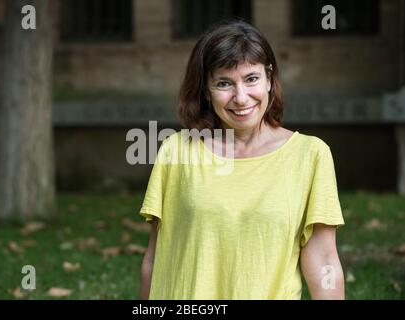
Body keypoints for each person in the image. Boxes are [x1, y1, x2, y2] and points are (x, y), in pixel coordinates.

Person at [139, 20, 345, 300]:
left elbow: (324, 262)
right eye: (224, 83)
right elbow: (154, 257)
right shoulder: (176, 152)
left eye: (251, 78)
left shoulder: (310, 155)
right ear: (205, 91)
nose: (240, 97)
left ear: (269, 79)